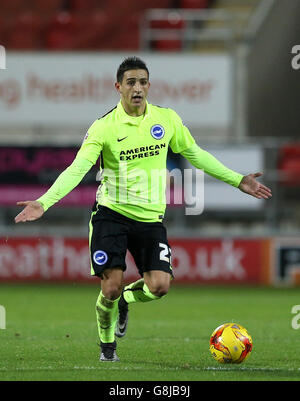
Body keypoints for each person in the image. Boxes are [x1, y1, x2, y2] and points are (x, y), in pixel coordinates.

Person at [14, 56, 272, 362]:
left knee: (160, 286)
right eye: (131, 82)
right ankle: (107, 348)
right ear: (118, 87)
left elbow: (196, 154)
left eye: (143, 82)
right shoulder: (103, 128)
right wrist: (45, 201)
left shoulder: (166, 119)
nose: (138, 88)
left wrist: (236, 180)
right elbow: (77, 169)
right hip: (111, 214)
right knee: (110, 286)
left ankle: (125, 300)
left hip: (150, 218)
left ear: (149, 86)